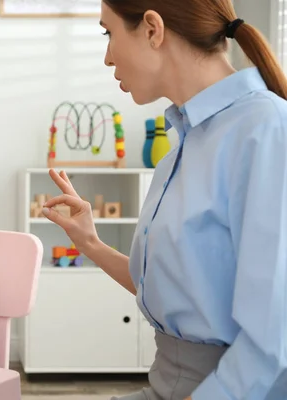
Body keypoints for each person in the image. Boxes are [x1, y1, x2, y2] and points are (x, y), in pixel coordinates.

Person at [41, 1, 287, 399]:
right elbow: (165, 290)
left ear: (152, 28)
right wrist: (89, 242)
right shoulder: (179, 153)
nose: (107, 57)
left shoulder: (266, 130)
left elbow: (275, 335)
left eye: (109, 33)